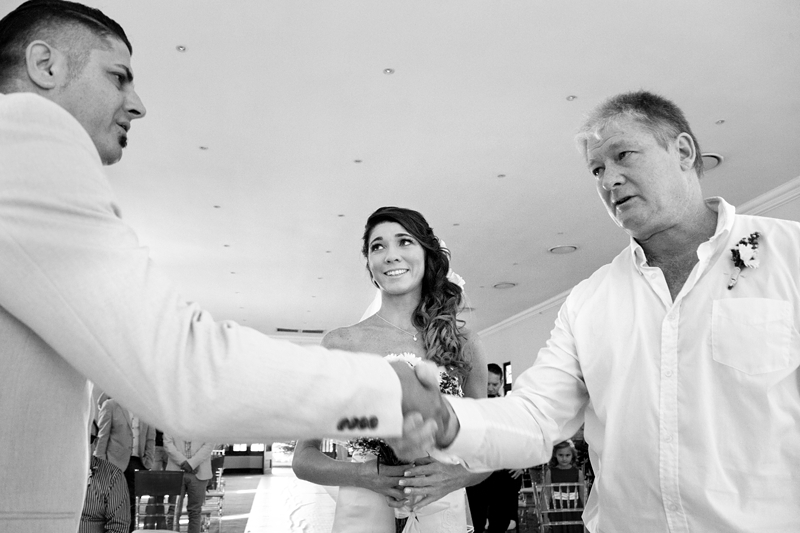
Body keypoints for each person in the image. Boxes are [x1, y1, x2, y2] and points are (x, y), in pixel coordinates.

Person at [0, 2, 448, 531]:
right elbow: (180, 369)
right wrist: (387, 391)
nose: (136, 104)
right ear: (44, 65)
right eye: (117, 77)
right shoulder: (23, 133)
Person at [397, 90, 800, 532]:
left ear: (683, 151)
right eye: (597, 170)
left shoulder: (788, 255)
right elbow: (535, 416)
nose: (609, 181)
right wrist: (449, 419)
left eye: (623, 155)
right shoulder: (590, 300)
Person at [293, 206, 489, 532]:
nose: (390, 255)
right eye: (377, 246)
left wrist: (457, 475)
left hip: (441, 509)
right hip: (364, 509)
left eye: (404, 242)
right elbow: (303, 458)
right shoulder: (340, 343)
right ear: (369, 263)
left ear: (426, 254)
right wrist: (362, 474)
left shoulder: (464, 341)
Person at [465, 364, 523, 533]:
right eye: (487, 384)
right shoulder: (472, 404)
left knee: (501, 522)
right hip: (477, 471)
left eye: (494, 384)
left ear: (501, 383)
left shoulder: (509, 405)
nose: (490, 388)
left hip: (503, 473)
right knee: (476, 521)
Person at [93, 398, 155, 531]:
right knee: (110, 505)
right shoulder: (111, 405)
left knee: (131, 505)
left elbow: (150, 437)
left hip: (137, 463)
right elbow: (102, 436)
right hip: (113, 462)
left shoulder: (147, 408)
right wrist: (100, 464)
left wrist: (148, 461)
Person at [163, 436, 215, 533]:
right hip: (176, 469)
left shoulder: (207, 421)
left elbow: (209, 444)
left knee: (195, 511)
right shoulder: (171, 420)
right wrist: (183, 462)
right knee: (173, 510)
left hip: (200, 471)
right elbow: (168, 443)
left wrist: (192, 463)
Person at [79, 435, 130, 533]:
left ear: (95, 443)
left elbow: (119, 527)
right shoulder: (51, 474)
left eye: (85, 439)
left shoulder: (113, 476)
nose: (79, 445)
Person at [543, 441, 584, 533]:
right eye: (560, 455)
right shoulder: (550, 472)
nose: (564, 458)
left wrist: (587, 516)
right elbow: (547, 495)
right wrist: (545, 517)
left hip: (575, 509)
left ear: (572, 455)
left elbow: (583, 496)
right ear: (555, 455)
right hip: (556, 509)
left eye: (567, 455)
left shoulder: (578, 473)